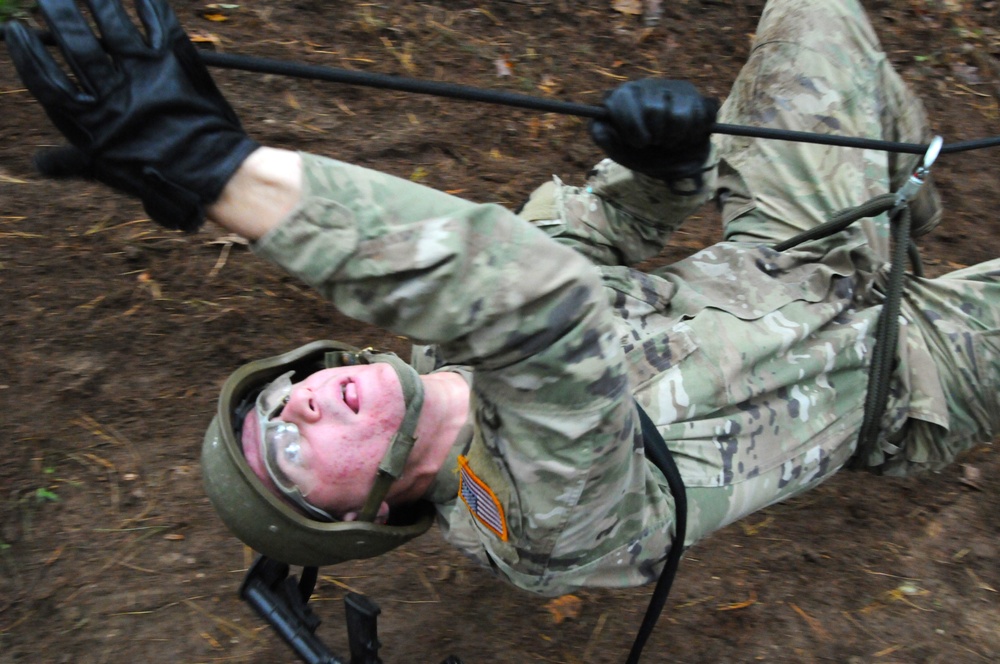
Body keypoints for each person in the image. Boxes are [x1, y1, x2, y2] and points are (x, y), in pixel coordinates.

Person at [5, 0, 998, 599]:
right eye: (295, 454)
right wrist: (219, 174)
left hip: (793, 247)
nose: (301, 405)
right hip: (909, 379)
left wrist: (665, 161)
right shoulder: (538, 529)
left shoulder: (446, 348)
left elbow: (593, 228)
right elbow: (541, 310)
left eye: (282, 400)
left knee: (812, 16)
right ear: (366, 512)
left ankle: (910, 208)